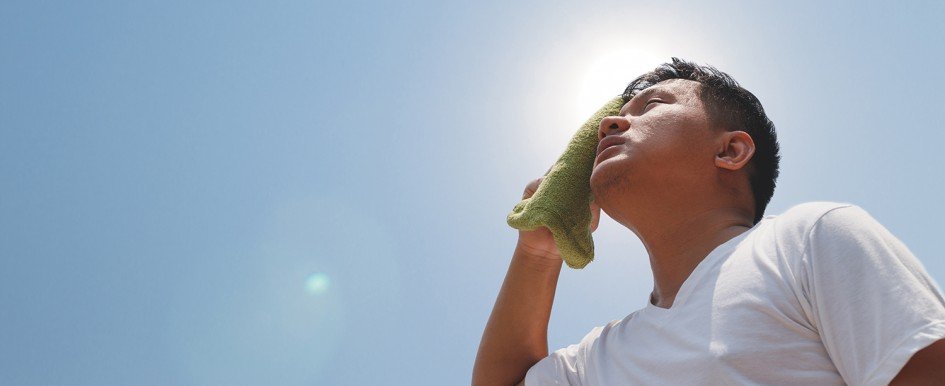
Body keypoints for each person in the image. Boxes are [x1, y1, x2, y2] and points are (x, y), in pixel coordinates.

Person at [472, 58, 945, 385]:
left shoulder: (808, 239)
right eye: (613, 118)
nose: (609, 126)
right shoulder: (606, 354)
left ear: (730, 150)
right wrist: (537, 250)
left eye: (651, 106)